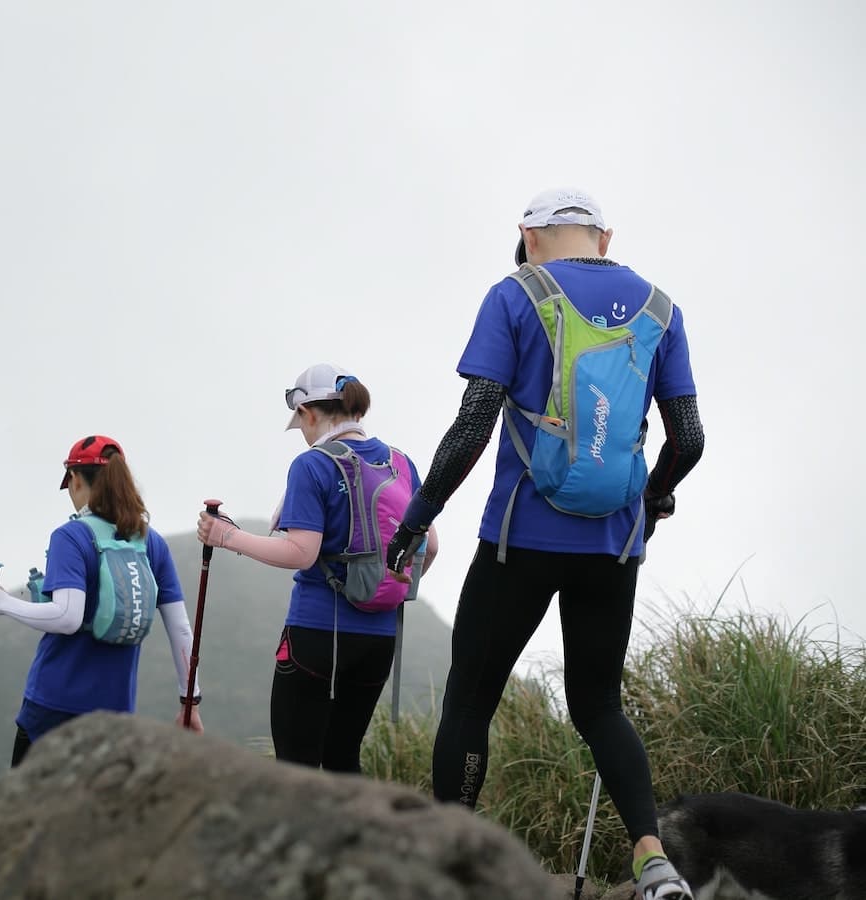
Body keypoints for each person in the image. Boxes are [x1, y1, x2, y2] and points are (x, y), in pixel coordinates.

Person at [384, 188, 705, 900]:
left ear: (528, 236)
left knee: (470, 700)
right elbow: (690, 438)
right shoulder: (661, 309)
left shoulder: (515, 294)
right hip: (613, 545)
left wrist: (418, 515)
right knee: (600, 707)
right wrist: (650, 502)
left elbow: (473, 425)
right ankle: (653, 862)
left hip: (517, 539)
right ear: (604, 236)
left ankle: (451, 866)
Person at [195, 363, 438, 773]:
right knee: (344, 759)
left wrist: (226, 537)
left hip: (317, 632)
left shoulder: (313, 464)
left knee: (296, 767)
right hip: (379, 639)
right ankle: (357, 839)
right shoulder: (401, 462)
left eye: (301, 422)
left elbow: (301, 552)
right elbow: (429, 546)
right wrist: (382, 585)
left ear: (309, 413)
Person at [0, 434, 202, 766]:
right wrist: (189, 703)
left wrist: (2, 603)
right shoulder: (150, 543)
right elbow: (181, 630)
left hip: (52, 707)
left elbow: (67, 616)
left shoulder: (72, 536)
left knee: (31, 814)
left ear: (76, 479)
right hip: (115, 712)